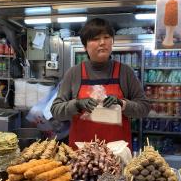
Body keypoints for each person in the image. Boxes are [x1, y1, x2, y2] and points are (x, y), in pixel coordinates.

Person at [51, 18, 150, 149]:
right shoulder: (74, 73)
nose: (102, 42)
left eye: (107, 37)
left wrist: (122, 104)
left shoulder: (125, 72)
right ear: (85, 46)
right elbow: (56, 110)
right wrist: (77, 104)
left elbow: (144, 108)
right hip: (81, 156)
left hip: (117, 154)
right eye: (95, 38)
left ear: (112, 41)